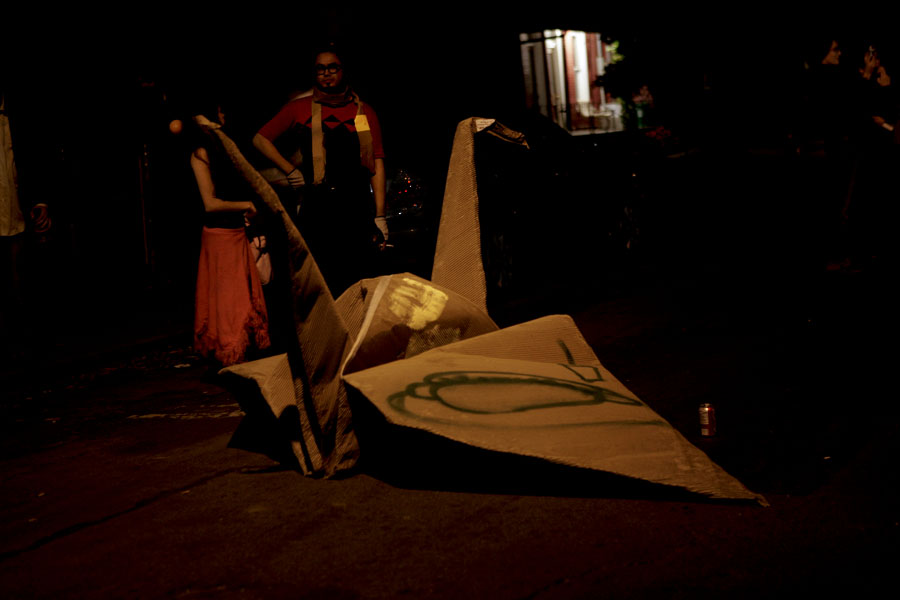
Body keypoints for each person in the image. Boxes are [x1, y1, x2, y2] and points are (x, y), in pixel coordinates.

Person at [252, 44, 387, 296]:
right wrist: (290, 170)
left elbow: (376, 162)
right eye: (320, 69)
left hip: (356, 206)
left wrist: (380, 214)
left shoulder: (363, 111)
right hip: (320, 207)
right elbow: (260, 139)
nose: (326, 73)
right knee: (323, 280)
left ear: (342, 70)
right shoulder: (300, 107)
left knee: (361, 279)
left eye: (332, 67)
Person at [190, 102, 271, 368]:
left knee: (239, 299)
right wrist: (246, 205)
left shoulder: (227, 151)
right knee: (228, 302)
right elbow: (209, 203)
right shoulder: (201, 154)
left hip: (236, 232)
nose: (222, 118)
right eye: (217, 115)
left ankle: (241, 354)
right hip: (219, 235)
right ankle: (231, 355)